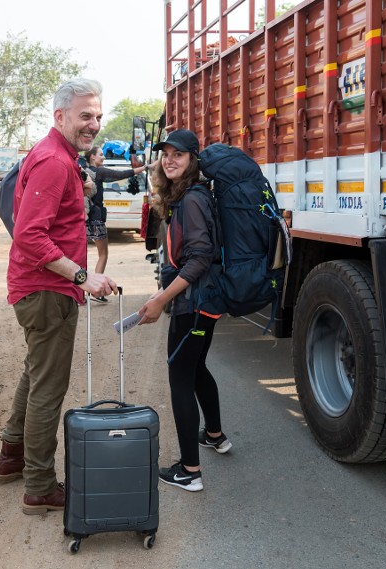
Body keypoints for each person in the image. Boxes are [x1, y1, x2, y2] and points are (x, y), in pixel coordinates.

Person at [0, 78, 118, 515]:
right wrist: (84, 276)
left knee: (35, 373)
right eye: (86, 115)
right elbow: (29, 236)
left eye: (98, 116)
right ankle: (40, 486)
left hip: (42, 287)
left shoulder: (61, 158)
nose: (94, 124)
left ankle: (11, 456)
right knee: (48, 388)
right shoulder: (53, 161)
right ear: (60, 116)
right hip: (46, 289)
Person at [137, 129, 232, 492]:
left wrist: (161, 299)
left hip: (192, 305)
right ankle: (215, 435)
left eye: (179, 154)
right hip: (205, 303)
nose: (170, 159)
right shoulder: (195, 196)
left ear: (193, 159)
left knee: (179, 378)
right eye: (166, 154)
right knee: (195, 369)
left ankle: (189, 471)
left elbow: (198, 259)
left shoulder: (191, 200)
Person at [82, 146, 153, 302]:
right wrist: (146, 167)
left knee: (81, 256)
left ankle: (79, 292)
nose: (103, 157)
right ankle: (97, 292)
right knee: (103, 254)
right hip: (96, 219)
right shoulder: (99, 172)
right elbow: (123, 174)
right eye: (100, 155)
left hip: (82, 219)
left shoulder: (82, 171)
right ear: (92, 157)